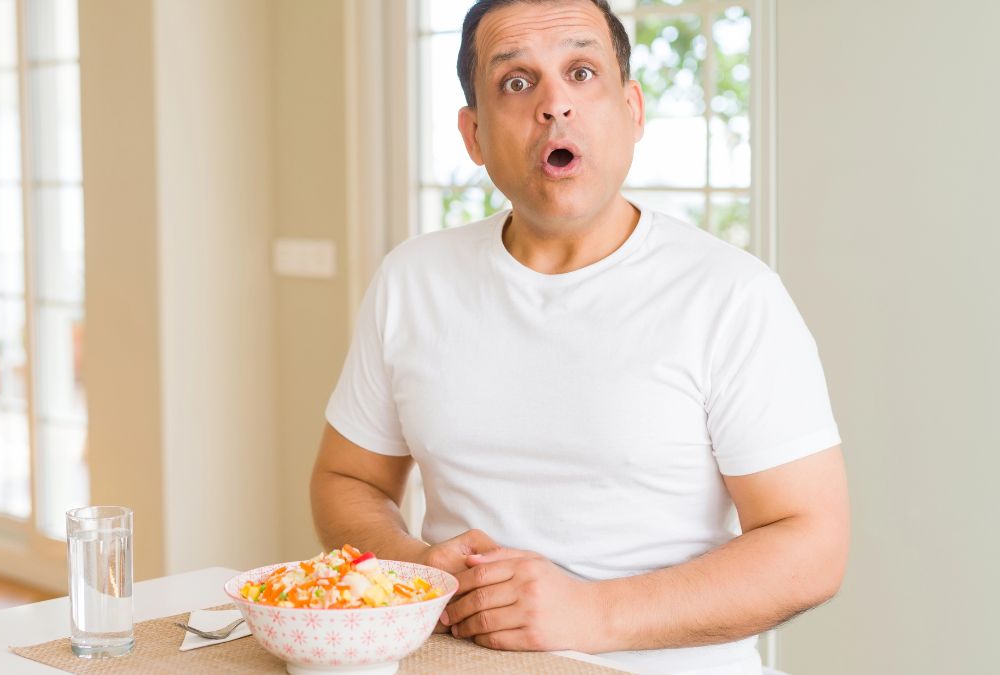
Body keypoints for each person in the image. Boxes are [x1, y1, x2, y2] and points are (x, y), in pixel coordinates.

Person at [310, 1, 849, 673]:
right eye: (516, 81)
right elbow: (346, 478)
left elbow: (813, 544)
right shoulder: (412, 280)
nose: (554, 104)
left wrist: (594, 613)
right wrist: (417, 567)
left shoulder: (733, 295)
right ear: (473, 136)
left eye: (582, 72)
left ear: (633, 111)